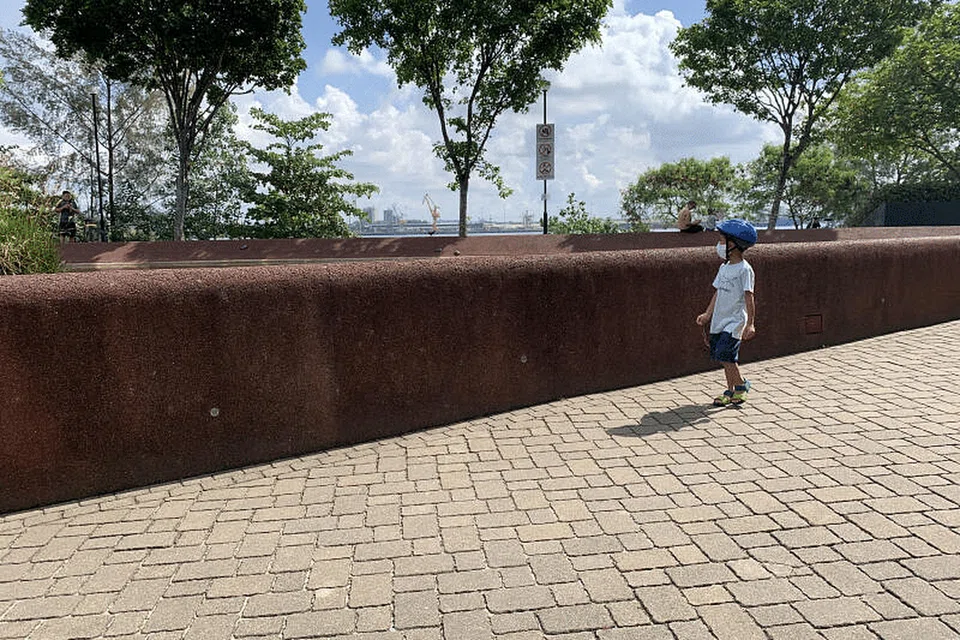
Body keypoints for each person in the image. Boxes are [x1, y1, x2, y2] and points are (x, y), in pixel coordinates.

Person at [695, 219, 758, 406]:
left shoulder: (745, 270)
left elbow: (749, 297)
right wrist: (707, 314)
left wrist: (750, 323)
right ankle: (731, 391)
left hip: (735, 321)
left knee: (727, 356)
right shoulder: (723, 268)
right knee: (723, 358)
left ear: (734, 245)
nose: (719, 245)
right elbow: (718, 292)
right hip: (719, 320)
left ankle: (740, 387)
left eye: (722, 241)